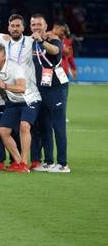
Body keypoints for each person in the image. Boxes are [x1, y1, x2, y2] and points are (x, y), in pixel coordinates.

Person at [30, 14, 70, 173]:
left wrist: (41, 41)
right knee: (44, 128)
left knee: (58, 127)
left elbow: (54, 50)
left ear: (46, 26)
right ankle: (48, 161)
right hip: (40, 91)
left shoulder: (53, 40)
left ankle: (62, 164)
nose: (36, 27)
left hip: (55, 90)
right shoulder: (32, 42)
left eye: (39, 24)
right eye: (33, 24)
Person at [0, 43, 34, 173]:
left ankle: (24, 163)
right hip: (13, 103)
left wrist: (5, 86)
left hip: (29, 100)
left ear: (3, 56)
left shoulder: (15, 68)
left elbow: (22, 88)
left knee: (24, 126)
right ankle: (19, 163)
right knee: (3, 131)